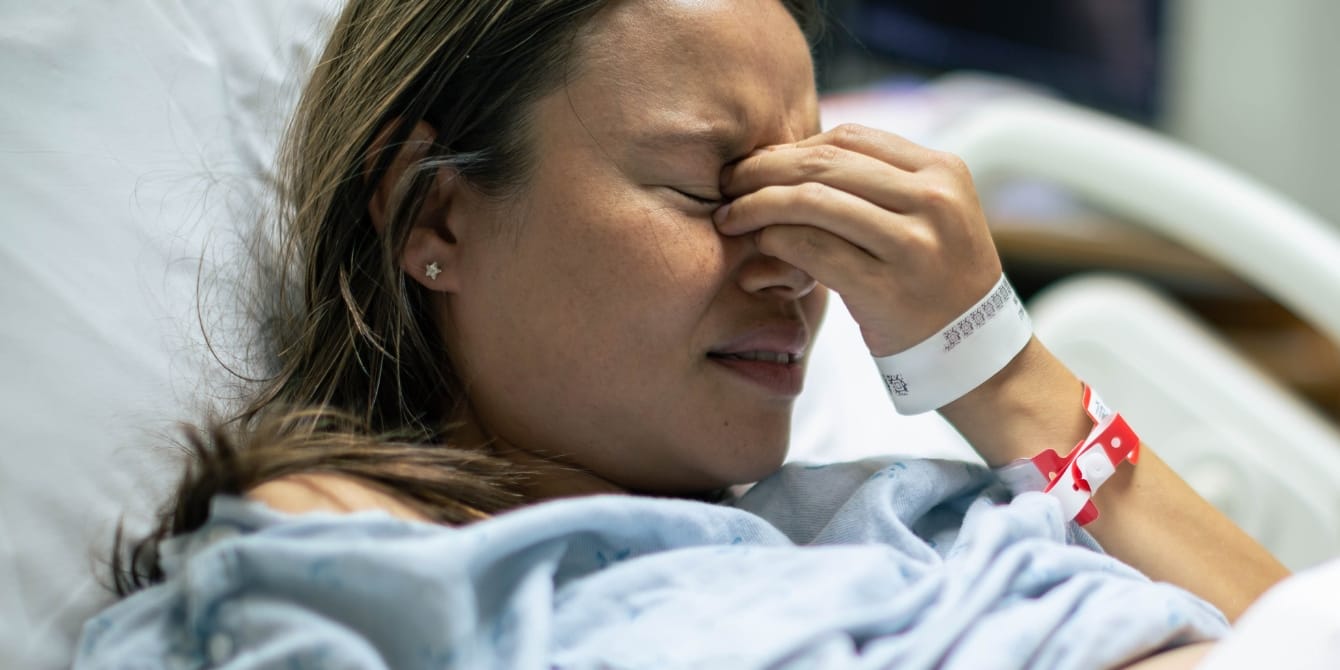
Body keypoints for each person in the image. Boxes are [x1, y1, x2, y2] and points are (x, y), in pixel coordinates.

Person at [87, 0, 1289, 668]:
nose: (794, 266)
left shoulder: (906, 514)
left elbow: (1281, 629)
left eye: (810, 189)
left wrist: (995, 365)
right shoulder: (324, 573)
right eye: (711, 191)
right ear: (432, 207)